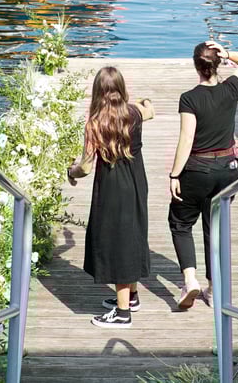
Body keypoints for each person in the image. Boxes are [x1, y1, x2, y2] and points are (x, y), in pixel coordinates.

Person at [67, 66, 155, 328]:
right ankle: (132, 296)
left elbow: (85, 167)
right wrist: (143, 101)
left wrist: (71, 171)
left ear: (97, 92)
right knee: (132, 234)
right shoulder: (134, 113)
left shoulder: (95, 124)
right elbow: (150, 110)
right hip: (137, 182)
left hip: (112, 188)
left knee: (117, 243)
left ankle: (122, 313)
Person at [168, 41, 238, 309]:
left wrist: (174, 175)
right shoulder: (231, 89)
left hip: (197, 169)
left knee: (181, 223)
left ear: (196, 66)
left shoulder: (189, 98)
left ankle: (190, 281)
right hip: (227, 170)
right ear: (218, 64)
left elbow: (186, 139)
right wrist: (226, 53)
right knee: (214, 227)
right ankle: (215, 290)